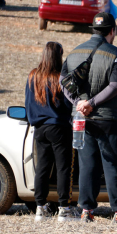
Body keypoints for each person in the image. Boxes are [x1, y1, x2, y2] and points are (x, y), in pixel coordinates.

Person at [60, 12, 117, 224]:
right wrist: (91, 103)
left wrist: (79, 102)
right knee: (113, 165)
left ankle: (86, 211)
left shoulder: (73, 53)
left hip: (81, 120)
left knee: (88, 165)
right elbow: (116, 86)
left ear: (93, 30)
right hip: (111, 120)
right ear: (112, 31)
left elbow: (63, 83)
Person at [25, 42, 78, 222]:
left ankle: (40, 207)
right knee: (64, 168)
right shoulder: (61, 78)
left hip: (39, 128)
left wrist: (34, 121)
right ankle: (64, 207)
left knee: (42, 167)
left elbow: (28, 102)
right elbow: (69, 104)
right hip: (59, 127)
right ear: (59, 56)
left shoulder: (33, 76)